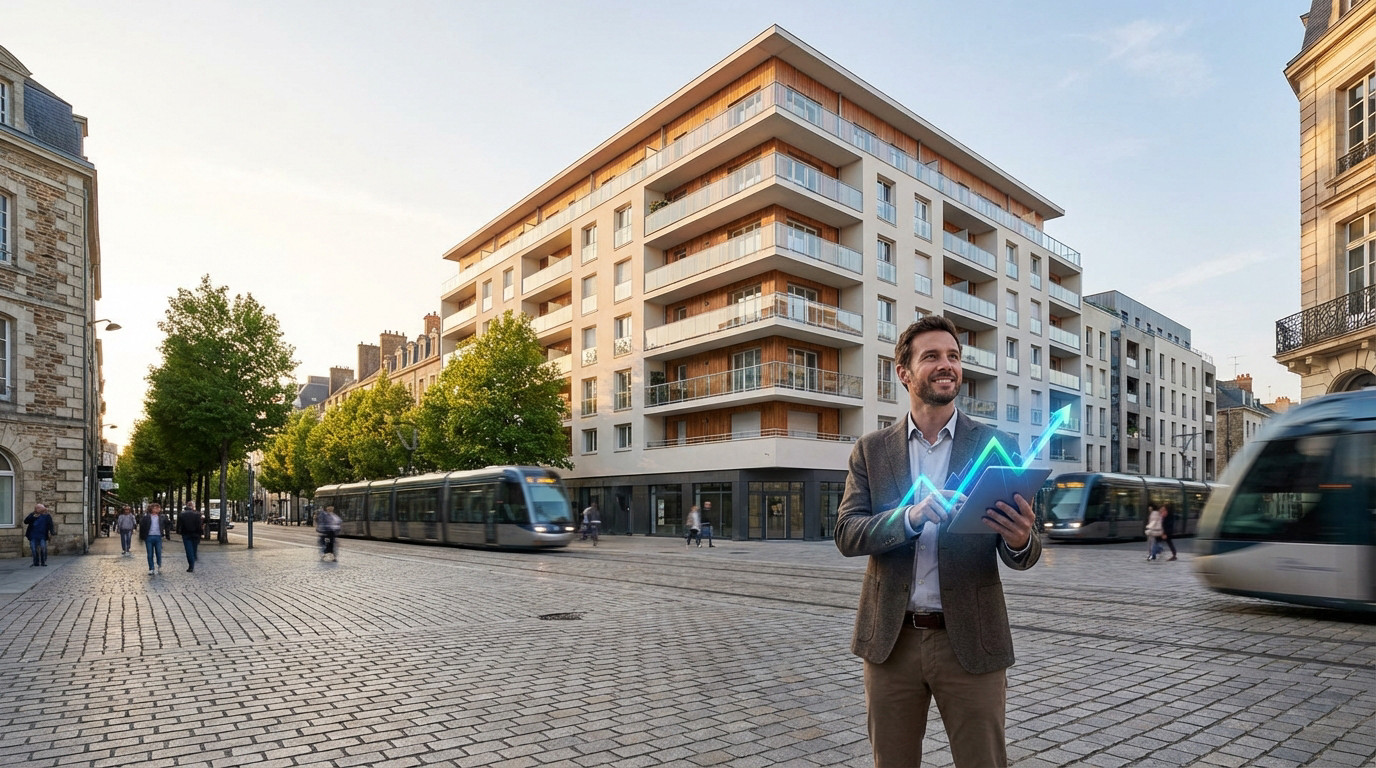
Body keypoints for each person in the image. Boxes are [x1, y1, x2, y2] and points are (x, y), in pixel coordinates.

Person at [835, 316, 1041, 768]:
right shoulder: (871, 450)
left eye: (953, 356)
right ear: (904, 372)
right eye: (931, 356)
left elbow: (1025, 550)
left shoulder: (994, 443)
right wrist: (909, 517)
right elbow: (847, 533)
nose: (946, 365)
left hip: (970, 640)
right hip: (892, 642)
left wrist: (1021, 540)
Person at [139, 503, 172, 575]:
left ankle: (158, 565)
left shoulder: (162, 517)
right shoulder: (146, 517)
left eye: (158, 508)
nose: (157, 509)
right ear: (151, 509)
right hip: (149, 537)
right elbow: (142, 527)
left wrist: (167, 535)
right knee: (150, 553)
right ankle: (151, 568)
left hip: (158, 536)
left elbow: (168, 525)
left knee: (159, 552)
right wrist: (142, 537)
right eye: (155, 508)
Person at [177, 503, 203, 572]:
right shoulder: (197, 514)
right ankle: (194, 557)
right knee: (194, 548)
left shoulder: (182, 514)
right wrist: (200, 534)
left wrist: (179, 532)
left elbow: (179, 525)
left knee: (188, 550)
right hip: (195, 534)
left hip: (186, 534)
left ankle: (191, 565)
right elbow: (199, 526)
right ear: (192, 507)